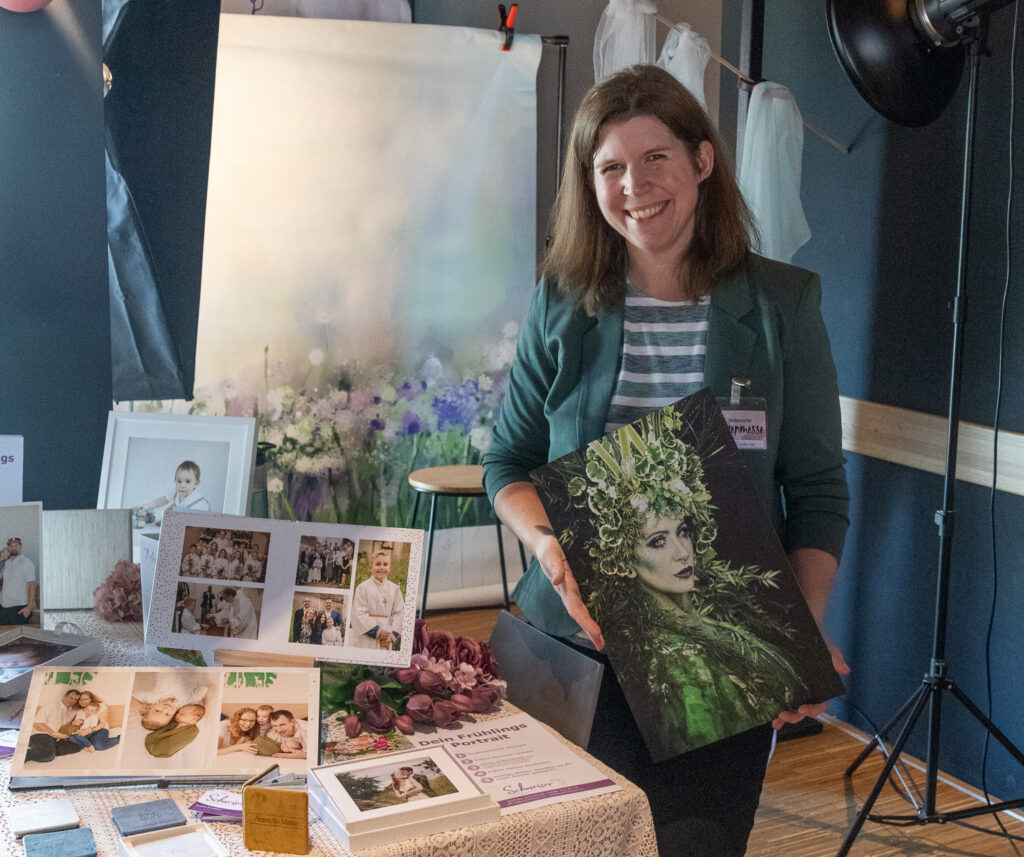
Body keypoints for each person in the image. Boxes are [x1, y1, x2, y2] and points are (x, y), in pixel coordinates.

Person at [482, 65, 849, 857]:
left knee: (693, 845)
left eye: (656, 159)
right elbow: (505, 462)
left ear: (702, 162)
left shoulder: (783, 305)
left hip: (718, 644)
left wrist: (799, 633)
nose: (634, 185)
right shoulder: (563, 299)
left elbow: (817, 489)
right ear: (591, 183)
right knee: (566, 847)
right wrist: (548, 547)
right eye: (610, 166)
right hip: (575, 642)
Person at [350, 550, 404, 650]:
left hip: (387, 637)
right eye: (378, 564)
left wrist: (391, 636)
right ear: (370, 567)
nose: (382, 567)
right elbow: (358, 614)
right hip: (367, 637)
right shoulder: (362, 588)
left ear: (390, 568)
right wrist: (377, 632)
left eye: (385, 564)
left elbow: (400, 613)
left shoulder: (395, 589)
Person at [134, 460, 212, 523]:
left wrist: (169, 520)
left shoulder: (198, 503)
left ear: (196, 484)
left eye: (187, 481)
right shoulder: (176, 493)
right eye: (179, 481)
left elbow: (193, 522)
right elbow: (163, 500)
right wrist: (149, 506)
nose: (182, 485)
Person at [25, 689, 83, 762]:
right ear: (65, 696)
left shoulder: (71, 712)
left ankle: (45, 748)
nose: (72, 701)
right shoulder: (50, 707)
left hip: (57, 738)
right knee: (47, 756)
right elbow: (38, 723)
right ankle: (25, 754)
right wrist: (53, 733)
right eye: (71, 698)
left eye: (75, 699)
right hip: (41, 735)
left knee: (77, 747)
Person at [0, 537, 37, 625]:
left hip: (19, 608)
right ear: (8, 548)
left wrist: (29, 607)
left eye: (16, 545)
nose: (13, 548)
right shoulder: (6, 563)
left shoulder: (27, 563)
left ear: (20, 546)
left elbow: (32, 585)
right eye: (11, 546)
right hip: (3, 607)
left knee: (18, 638)